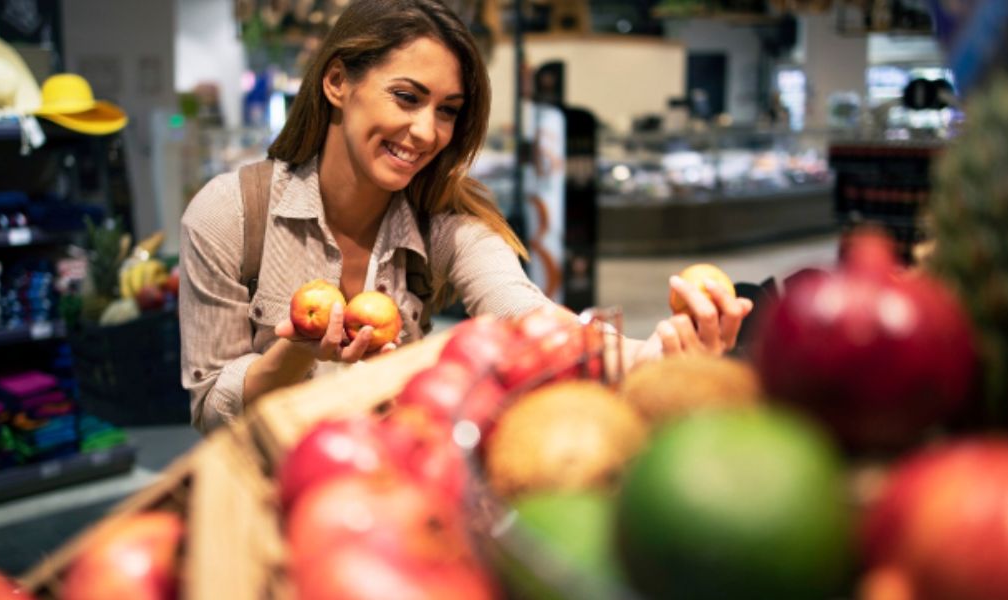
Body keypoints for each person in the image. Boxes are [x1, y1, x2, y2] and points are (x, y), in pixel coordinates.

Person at [179, 0, 752, 434]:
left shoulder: (443, 220)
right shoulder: (233, 213)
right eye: (407, 97)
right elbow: (208, 410)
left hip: (396, 492)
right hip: (265, 507)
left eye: (447, 111)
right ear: (336, 82)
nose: (428, 132)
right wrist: (295, 351)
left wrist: (654, 357)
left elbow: (527, 316)